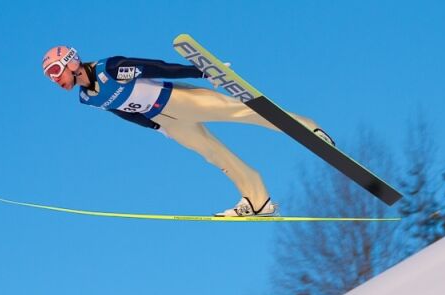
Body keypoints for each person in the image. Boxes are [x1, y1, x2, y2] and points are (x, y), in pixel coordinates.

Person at [41, 45, 334, 216]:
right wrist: (155, 127)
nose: (55, 80)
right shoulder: (87, 98)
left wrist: (199, 72)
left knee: (242, 111)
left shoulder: (111, 68)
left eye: (55, 71)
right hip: (167, 121)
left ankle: (309, 129)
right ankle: (258, 201)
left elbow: (154, 67)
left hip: (178, 99)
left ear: (72, 62)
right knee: (216, 156)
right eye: (50, 77)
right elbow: (122, 111)